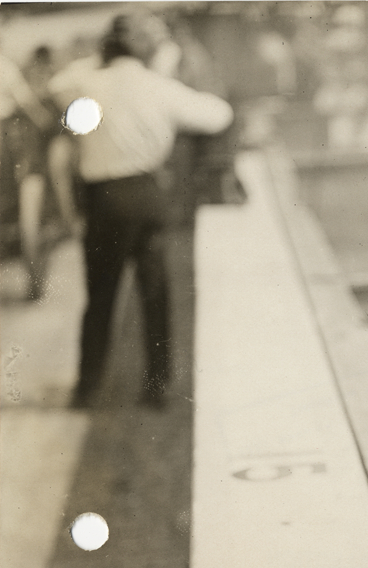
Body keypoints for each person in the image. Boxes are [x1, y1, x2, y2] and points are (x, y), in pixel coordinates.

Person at [51, 12, 233, 409]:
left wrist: (99, 59)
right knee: (155, 293)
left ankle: (87, 389)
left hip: (105, 198)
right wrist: (164, 69)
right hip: (147, 195)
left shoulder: (87, 83)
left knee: (101, 295)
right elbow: (219, 115)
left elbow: (56, 84)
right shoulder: (159, 87)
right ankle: (156, 388)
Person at [0, 49, 55, 299]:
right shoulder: (5, 65)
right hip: (8, 141)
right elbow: (29, 104)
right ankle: (35, 281)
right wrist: (46, 122)